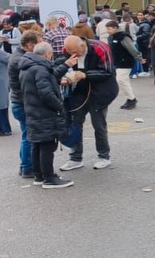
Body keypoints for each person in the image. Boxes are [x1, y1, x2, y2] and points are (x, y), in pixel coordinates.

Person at [58, 36, 118, 171]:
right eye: (69, 52)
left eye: (75, 52)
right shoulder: (67, 51)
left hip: (101, 91)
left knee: (99, 124)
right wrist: (65, 76)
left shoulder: (100, 48)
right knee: (75, 123)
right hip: (78, 91)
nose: (73, 55)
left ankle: (104, 156)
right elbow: (60, 65)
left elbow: (108, 71)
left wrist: (85, 75)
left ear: (82, 45)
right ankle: (75, 158)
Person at [18, 42, 72, 189]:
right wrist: (60, 106)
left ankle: (39, 175)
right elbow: (46, 93)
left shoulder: (27, 67)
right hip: (45, 113)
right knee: (48, 145)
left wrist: (65, 65)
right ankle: (49, 178)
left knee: (37, 144)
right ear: (47, 54)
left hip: (32, 110)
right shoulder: (40, 69)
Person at [8, 30, 40, 177]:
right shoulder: (21, 60)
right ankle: (27, 167)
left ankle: (25, 166)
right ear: (30, 45)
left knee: (26, 135)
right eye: (39, 44)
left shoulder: (19, 56)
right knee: (29, 136)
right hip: (22, 102)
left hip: (19, 100)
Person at [106, 21, 141, 109]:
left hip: (125, 61)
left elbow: (131, 48)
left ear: (115, 28)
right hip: (118, 62)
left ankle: (132, 99)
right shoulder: (112, 37)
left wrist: (139, 57)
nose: (107, 31)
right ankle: (130, 98)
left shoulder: (123, 37)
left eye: (109, 29)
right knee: (124, 81)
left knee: (121, 80)